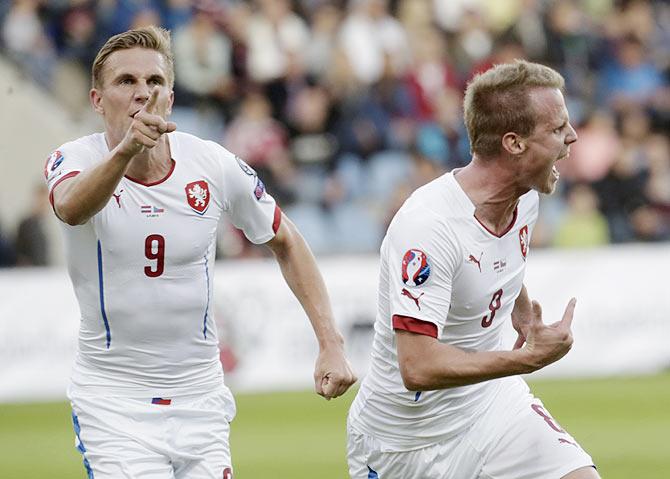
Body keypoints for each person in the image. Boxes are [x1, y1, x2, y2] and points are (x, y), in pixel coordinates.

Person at [44, 26, 356, 479]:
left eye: (155, 82)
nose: (142, 93)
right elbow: (72, 208)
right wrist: (127, 149)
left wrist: (330, 342)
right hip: (114, 402)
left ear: (170, 97)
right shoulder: (73, 158)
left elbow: (286, 239)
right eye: (126, 82)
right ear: (97, 100)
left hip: (200, 397)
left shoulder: (210, 163)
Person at [347, 60, 600, 479]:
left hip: (492, 408)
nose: (571, 137)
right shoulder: (428, 227)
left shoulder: (526, 197)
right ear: (514, 143)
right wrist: (525, 360)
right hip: (404, 442)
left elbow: (496, 255)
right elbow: (418, 367)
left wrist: (518, 306)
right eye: (557, 129)